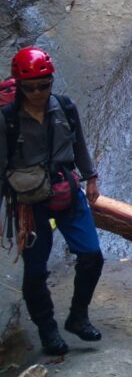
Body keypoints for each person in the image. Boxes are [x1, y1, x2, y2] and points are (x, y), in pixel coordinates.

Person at [0, 47, 103, 356]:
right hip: (28, 201)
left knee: (92, 255)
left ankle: (78, 316)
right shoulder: (7, 119)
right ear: (19, 85)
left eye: (43, 85)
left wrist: (91, 177)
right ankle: (47, 329)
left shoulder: (65, 108)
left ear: (51, 81)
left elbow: (80, 143)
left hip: (66, 188)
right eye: (29, 87)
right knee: (35, 269)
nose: (36, 93)